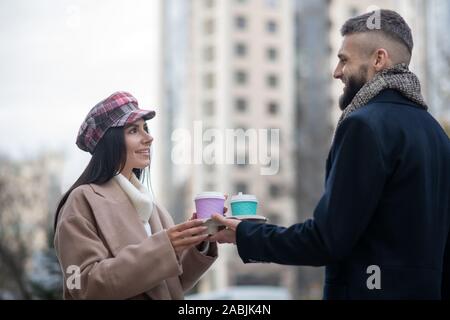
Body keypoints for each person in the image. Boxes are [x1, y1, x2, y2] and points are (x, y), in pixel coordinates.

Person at [210, 10, 450, 300]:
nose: (337, 71)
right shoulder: (435, 134)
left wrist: (244, 234)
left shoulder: (364, 126)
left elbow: (326, 240)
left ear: (378, 59)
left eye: (344, 59)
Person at [54, 91, 219, 300]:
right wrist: (165, 246)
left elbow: (169, 285)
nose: (149, 138)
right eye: (133, 130)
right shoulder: (81, 201)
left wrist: (197, 241)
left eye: (145, 128)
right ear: (109, 141)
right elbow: (82, 286)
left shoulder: (151, 206)